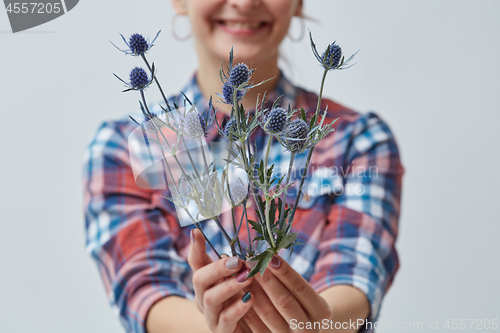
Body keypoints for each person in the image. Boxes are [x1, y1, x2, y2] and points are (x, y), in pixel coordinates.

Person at [83, 0, 404, 332]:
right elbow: (144, 290)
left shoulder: (358, 139)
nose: (244, 2)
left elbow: (356, 273)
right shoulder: (126, 146)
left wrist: (316, 326)